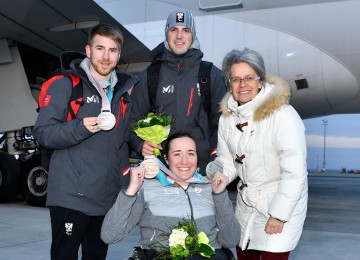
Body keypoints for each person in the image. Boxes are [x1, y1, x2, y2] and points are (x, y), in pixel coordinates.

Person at [33, 23, 138, 260]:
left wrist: (144, 145)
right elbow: (43, 133)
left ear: (119, 55)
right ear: (88, 50)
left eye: (112, 50)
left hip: (106, 198)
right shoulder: (66, 85)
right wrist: (80, 127)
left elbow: (130, 134)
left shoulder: (124, 92)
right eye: (100, 48)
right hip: (71, 197)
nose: (106, 56)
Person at [215, 48, 308, 260]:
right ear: (229, 83)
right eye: (235, 79)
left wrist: (279, 214)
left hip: (280, 203)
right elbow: (227, 161)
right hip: (246, 205)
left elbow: (295, 173)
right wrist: (222, 177)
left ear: (260, 80)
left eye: (249, 77)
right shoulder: (227, 118)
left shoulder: (282, 116)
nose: (242, 84)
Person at [101, 132, 240, 259]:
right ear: (166, 159)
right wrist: (131, 190)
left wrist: (220, 194)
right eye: (177, 154)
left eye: (191, 153)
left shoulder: (210, 188)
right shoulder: (149, 188)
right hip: (161, 255)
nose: (184, 161)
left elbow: (231, 240)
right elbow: (109, 235)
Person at [129, 8, 227, 175]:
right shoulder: (150, 75)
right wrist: (140, 144)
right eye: (173, 30)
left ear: (193, 35)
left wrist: (212, 163)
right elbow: (131, 120)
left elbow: (224, 126)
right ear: (167, 34)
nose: (179, 36)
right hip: (160, 171)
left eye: (186, 30)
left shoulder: (211, 75)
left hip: (201, 171)